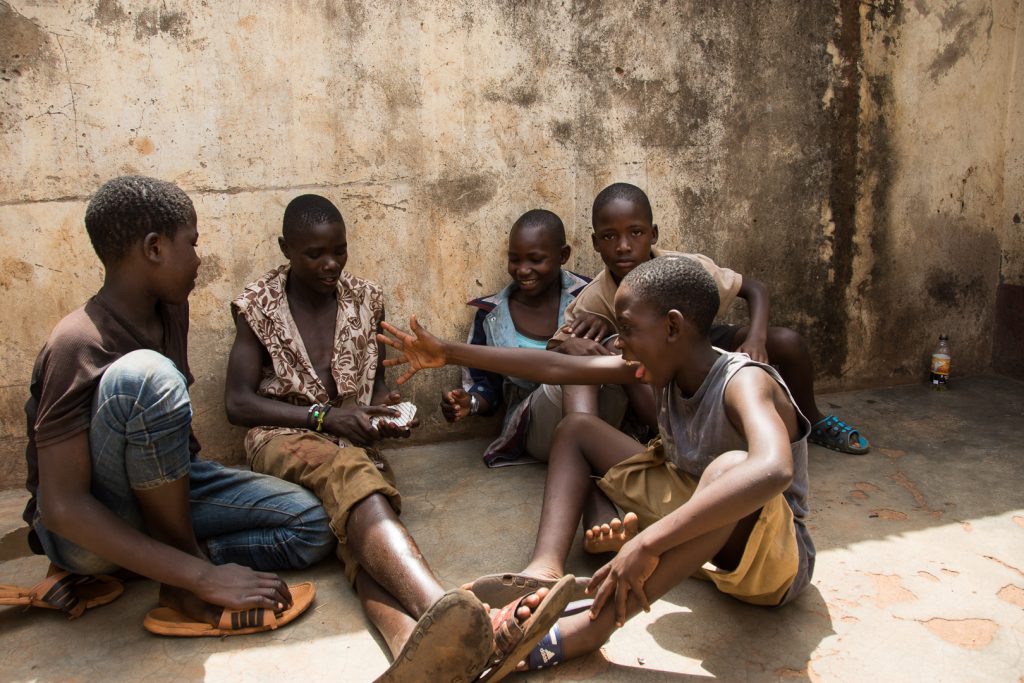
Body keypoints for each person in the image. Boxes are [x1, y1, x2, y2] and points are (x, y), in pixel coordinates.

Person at [378, 255, 815, 672]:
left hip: (772, 556)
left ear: (672, 326)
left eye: (626, 330)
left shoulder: (744, 381)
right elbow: (555, 366)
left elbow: (773, 469)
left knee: (731, 468)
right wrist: (449, 353)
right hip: (694, 504)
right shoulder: (662, 364)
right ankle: (544, 570)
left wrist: (645, 545)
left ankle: (585, 632)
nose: (619, 343)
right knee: (576, 429)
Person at [225, 194, 573, 682]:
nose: (331, 265)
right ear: (286, 248)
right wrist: (326, 419)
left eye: (339, 251)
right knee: (354, 480)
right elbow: (237, 404)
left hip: (354, 445)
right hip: (286, 435)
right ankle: (447, 609)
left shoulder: (365, 299)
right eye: (315, 254)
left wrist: (388, 412)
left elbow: (378, 387)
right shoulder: (258, 305)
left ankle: (408, 644)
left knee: (355, 535)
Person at [22, 175, 333, 636]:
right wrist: (202, 575)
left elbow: (167, 452)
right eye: (192, 242)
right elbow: (61, 505)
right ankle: (182, 577)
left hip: (168, 488)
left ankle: (155, 560)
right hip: (83, 528)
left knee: (311, 526)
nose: (198, 257)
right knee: (146, 376)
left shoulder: (170, 308)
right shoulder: (77, 341)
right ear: (154, 248)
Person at [552, 182, 870, 456]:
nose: (623, 246)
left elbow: (755, 289)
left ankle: (812, 420)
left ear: (653, 233)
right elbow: (558, 346)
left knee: (786, 341)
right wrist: (574, 343)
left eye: (635, 232)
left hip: (701, 349)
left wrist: (755, 339)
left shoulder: (684, 268)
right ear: (595, 243)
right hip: (656, 372)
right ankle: (674, 438)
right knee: (622, 356)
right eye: (609, 237)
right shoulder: (596, 296)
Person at [441, 208, 609, 467]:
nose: (522, 270)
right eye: (514, 260)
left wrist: (606, 323)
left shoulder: (590, 296)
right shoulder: (490, 315)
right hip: (536, 426)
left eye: (535, 259)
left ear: (563, 255)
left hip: (602, 412)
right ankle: (583, 472)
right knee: (573, 369)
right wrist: (470, 402)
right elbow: (488, 389)